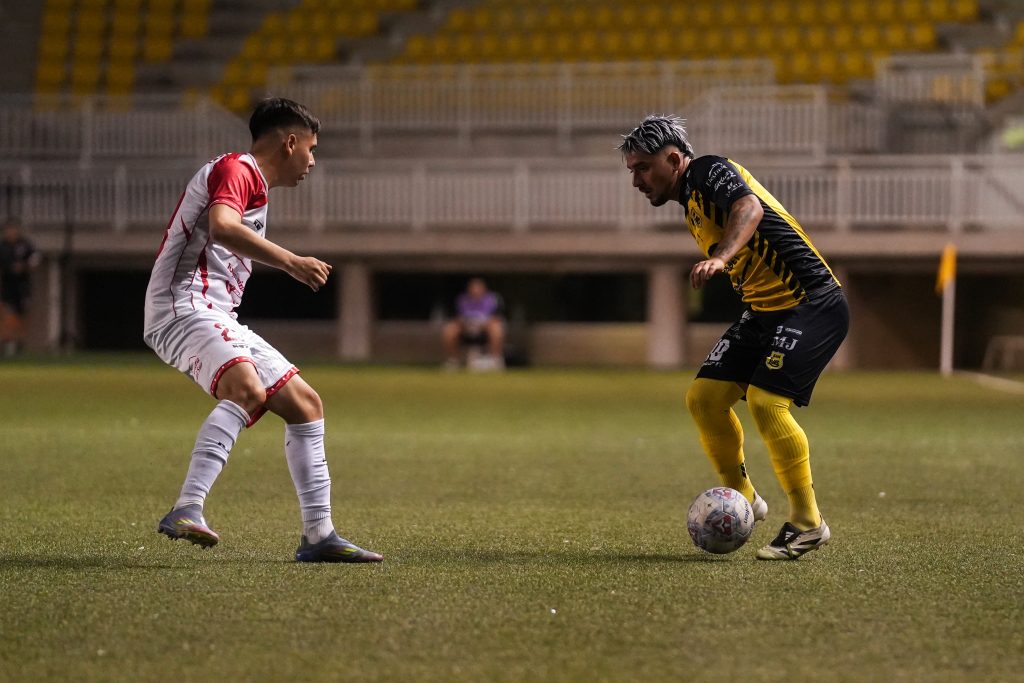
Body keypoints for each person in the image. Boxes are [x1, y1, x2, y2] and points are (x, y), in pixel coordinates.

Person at [143, 98, 382, 563]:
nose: (312, 160)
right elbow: (222, 227)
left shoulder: (255, 186)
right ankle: (187, 507)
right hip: (182, 304)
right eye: (311, 148)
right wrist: (291, 262)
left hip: (215, 313)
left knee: (305, 404)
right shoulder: (239, 169)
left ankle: (319, 536)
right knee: (246, 388)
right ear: (289, 143)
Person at [619, 115, 849, 560]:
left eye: (643, 168)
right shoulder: (690, 204)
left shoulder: (707, 170)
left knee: (766, 402)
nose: (637, 180)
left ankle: (807, 524)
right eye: (632, 170)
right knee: (704, 398)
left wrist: (722, 257)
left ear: (672, 159)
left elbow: (749, 209)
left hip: (812, 302)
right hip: (765, 314)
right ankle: (744, 496)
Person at [442, 277, 506, 371]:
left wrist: (483, 324)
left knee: (497, 328)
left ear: (484, 288)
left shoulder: (492, 299)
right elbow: (456, 318)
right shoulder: (462, 300)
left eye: (478, 287)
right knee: (449, 329)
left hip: (485, 329)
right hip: (466, 328)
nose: (476, 290)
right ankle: (453, 361)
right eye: (473, 287)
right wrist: (466, 323)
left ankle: (496, 361)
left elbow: (496, 318)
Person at [0, 219, 40, 357]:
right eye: (9, 230)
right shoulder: (2, 246)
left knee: (22, 316)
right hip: (7, 286)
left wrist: (25, 267)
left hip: (22, 286)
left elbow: (35, 259)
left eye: (14, 229)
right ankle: (6, 342)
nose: (12, 233)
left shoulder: (25, 244)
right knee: (7, 314)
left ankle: (19, 343)